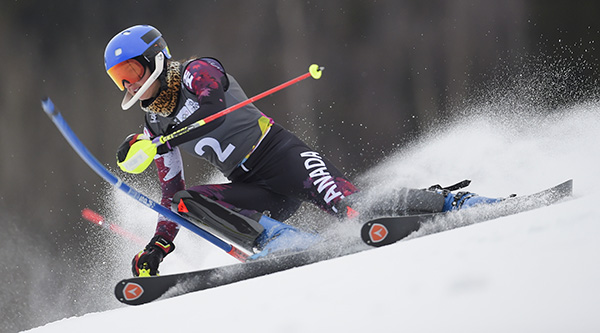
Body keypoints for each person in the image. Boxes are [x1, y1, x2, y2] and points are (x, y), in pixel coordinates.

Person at [104, 25, 501, 276]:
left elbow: (212, 108)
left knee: (349, 206)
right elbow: (171, 196)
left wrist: (165, 139)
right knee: (187, 200)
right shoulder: (154, 127)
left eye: (132, 73)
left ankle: (453, 202)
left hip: (280, 156)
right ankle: (279, 242)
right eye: (119, 79)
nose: (128, 85)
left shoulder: (196, 72)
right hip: (254, 188)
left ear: (156, 59)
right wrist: (158, 247)